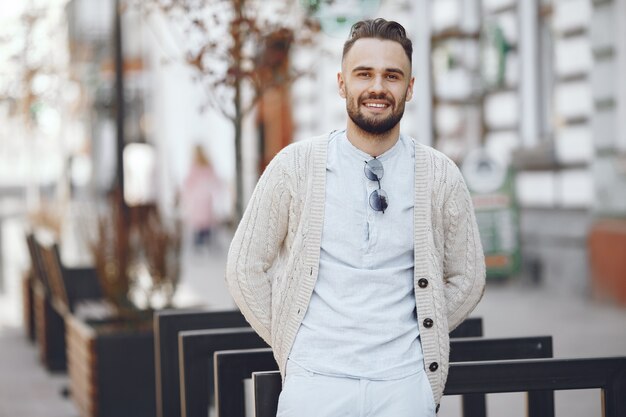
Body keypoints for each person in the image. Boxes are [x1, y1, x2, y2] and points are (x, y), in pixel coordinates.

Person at [226, 18, 485, 416]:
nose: (377, 87)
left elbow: (467, 275)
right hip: (314, 383)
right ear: (342, 83)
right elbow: (245, 267)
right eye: (364, 74)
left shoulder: (439, 174)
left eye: (392, 75)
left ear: (410, 88)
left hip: (404, 384)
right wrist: (293, 343)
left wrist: (421, 333)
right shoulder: (295, 166)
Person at [180, 144, 220, 249]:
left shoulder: (194, 167)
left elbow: (187, 183)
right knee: (205, 222)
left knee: (199, 222)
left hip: (198, 199)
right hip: (206, 197)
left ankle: (200, 243)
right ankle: (205, 242)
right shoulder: (208, 166)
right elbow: (215, 180)